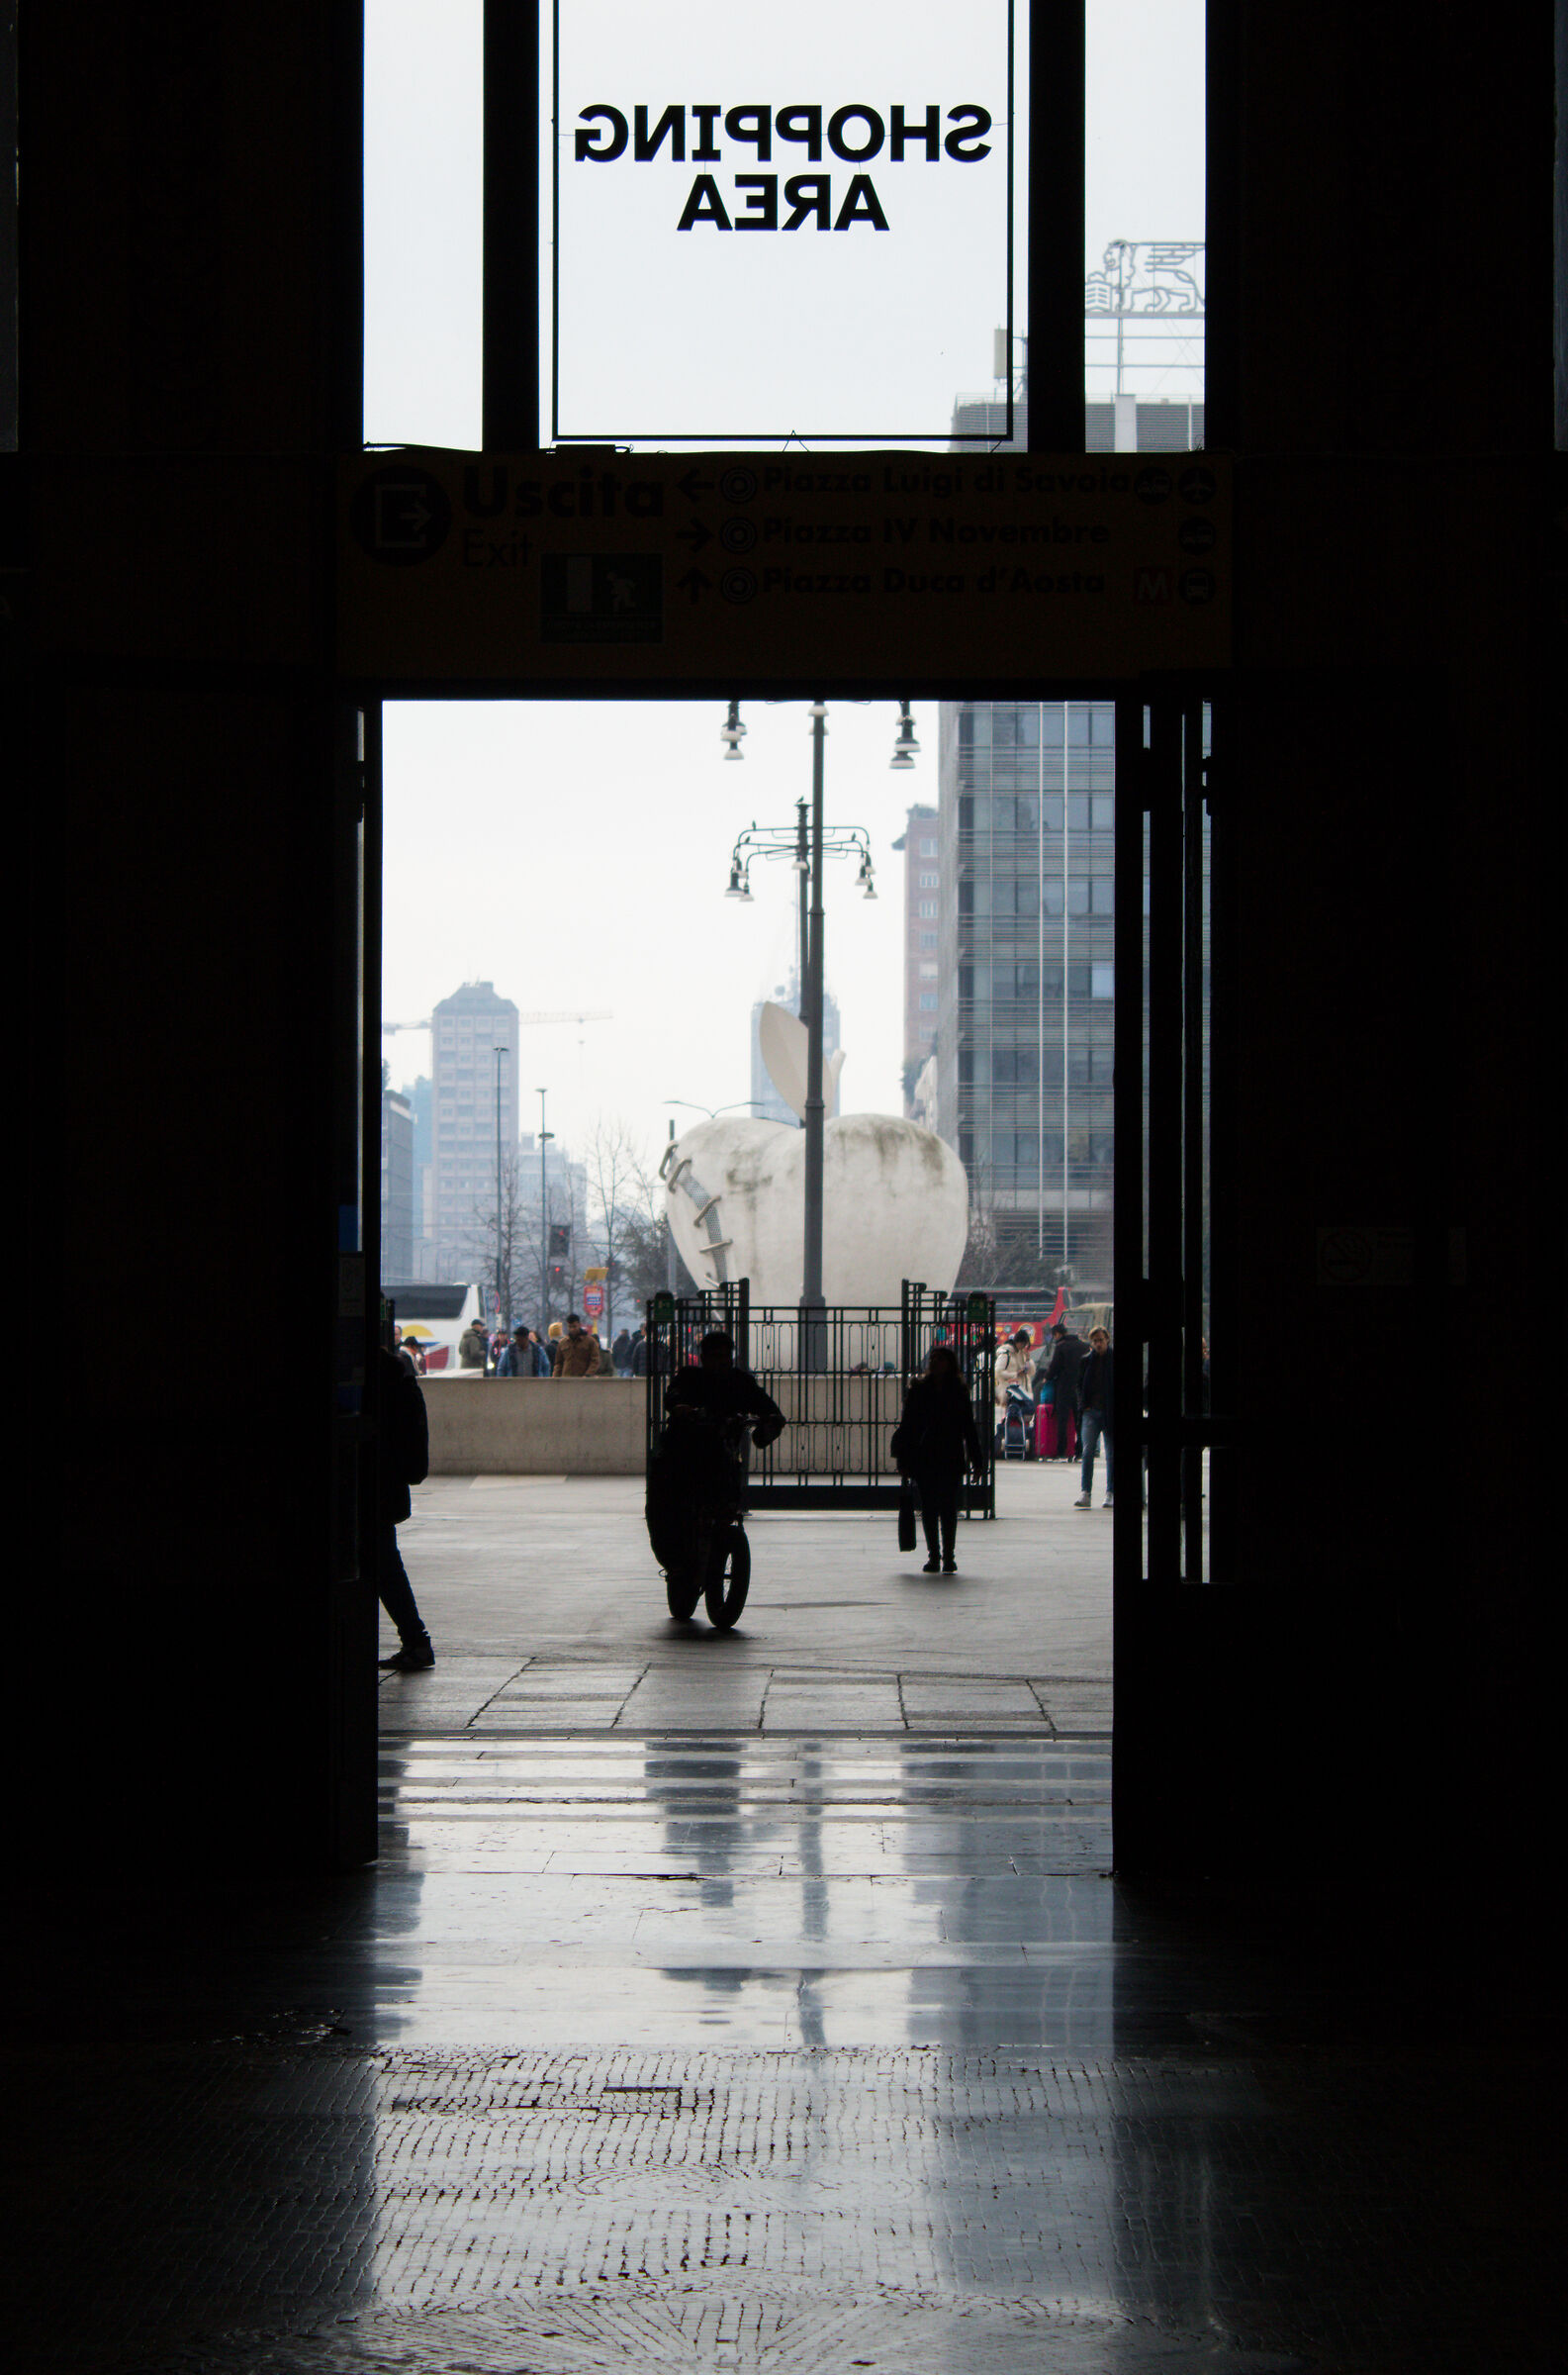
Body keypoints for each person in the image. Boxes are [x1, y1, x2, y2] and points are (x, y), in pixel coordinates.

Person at [892, 1342, 982, 1574]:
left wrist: (977, 1460)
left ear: (949, 1364)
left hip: (949, 1455)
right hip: (926, 1456)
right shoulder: (919, 1390)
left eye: (939, 1359)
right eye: (932, 1358)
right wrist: (903, 1459)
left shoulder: (958, 1392)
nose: (934, 1362)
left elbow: (968, 1429)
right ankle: (935, 1556)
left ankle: (947, 1556)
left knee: (948, 1508)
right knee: (931, 1508)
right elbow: (908, 1426)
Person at [375, 1342, 435, 1671]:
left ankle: (416, 1640)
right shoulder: (399, 1379)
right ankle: (415, 1640)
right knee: (386, 1568)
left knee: (385, 1568)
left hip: (372, 1490)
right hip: (388, 1491)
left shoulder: (378, 1385)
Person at [1075, 1326, 1116, 1508]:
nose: (1098, 1344)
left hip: (1110, 1411)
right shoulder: (1086, 1361)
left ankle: (1110, 1492)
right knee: (1087, 1451)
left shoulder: (1113, 1359)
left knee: (1111, 1454)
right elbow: (1079, 1385)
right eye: (1095, 1341)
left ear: (1107, 1339)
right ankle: (1086, 1492)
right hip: (1091, 1411)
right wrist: (1084, 1405)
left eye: (1101, 1340)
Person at [1038, 1319, 1087, 1462]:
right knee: (1080, 1420)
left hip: (1064, 1388)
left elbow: (1054, 1366)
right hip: (1080, 1388)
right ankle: (1079, 1451)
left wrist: (1046, 1378)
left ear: (1058, 1334)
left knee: (1062, 1420)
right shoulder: (1084, 1346)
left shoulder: (1061, 1347)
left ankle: (1061, 1451)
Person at [554, 1312, 601, 1378]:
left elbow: (595, 1360)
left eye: (574, 1326)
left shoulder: (590, 1342)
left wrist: (587, 1375)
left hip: (583, 1380)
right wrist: (555, 1379)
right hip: (566, 1380)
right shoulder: (562, 1343)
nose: (572, 1329)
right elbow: (558, 1364)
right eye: (570, 1327)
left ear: (579, 1325)